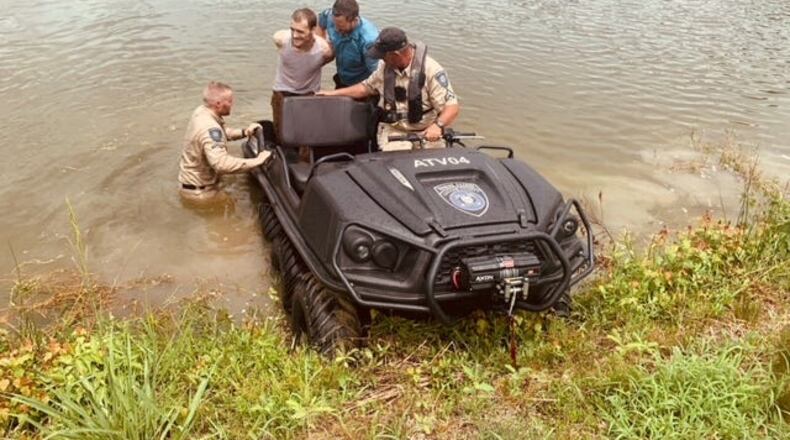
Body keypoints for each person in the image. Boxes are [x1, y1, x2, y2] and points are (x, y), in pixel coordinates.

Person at [319, 27, 460, 151]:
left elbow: (452, 108)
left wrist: (438, 126)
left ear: (395, 55)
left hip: (427, 131)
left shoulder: (432, 70)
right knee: (396, 165)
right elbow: (365, 88)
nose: (381, 60)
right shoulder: (385, 68)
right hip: (395, 131)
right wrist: (332, 93)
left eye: (383, 56)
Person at [178, 81, 270, 201]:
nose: (232, 104)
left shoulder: (201, 112)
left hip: (189, 185)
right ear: (218, 104)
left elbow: (221, 133)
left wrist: (245, 132)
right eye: (230, 101)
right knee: (236, 206)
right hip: (201, 192)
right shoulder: (210, 128)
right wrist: (257, 161)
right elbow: (221, 164)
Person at [271, 8, 333, 142]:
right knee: (282, 135)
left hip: (308, 94)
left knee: (307, 137)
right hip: (282, 91)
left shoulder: (324, 50)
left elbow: (326, 59)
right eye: (292, 29)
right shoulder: (281, 39)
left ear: (312, 30)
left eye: (300, 31)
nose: (295, 35)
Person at [316, 0, 379, 89]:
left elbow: (377, 76)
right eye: (334, 25)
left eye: (340, 26)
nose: (336, 29)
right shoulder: (330, 16)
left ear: (355, 20)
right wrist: (322, 46)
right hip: (342, 77)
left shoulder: (369, 41)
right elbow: (320, 21)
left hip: (361, 84)